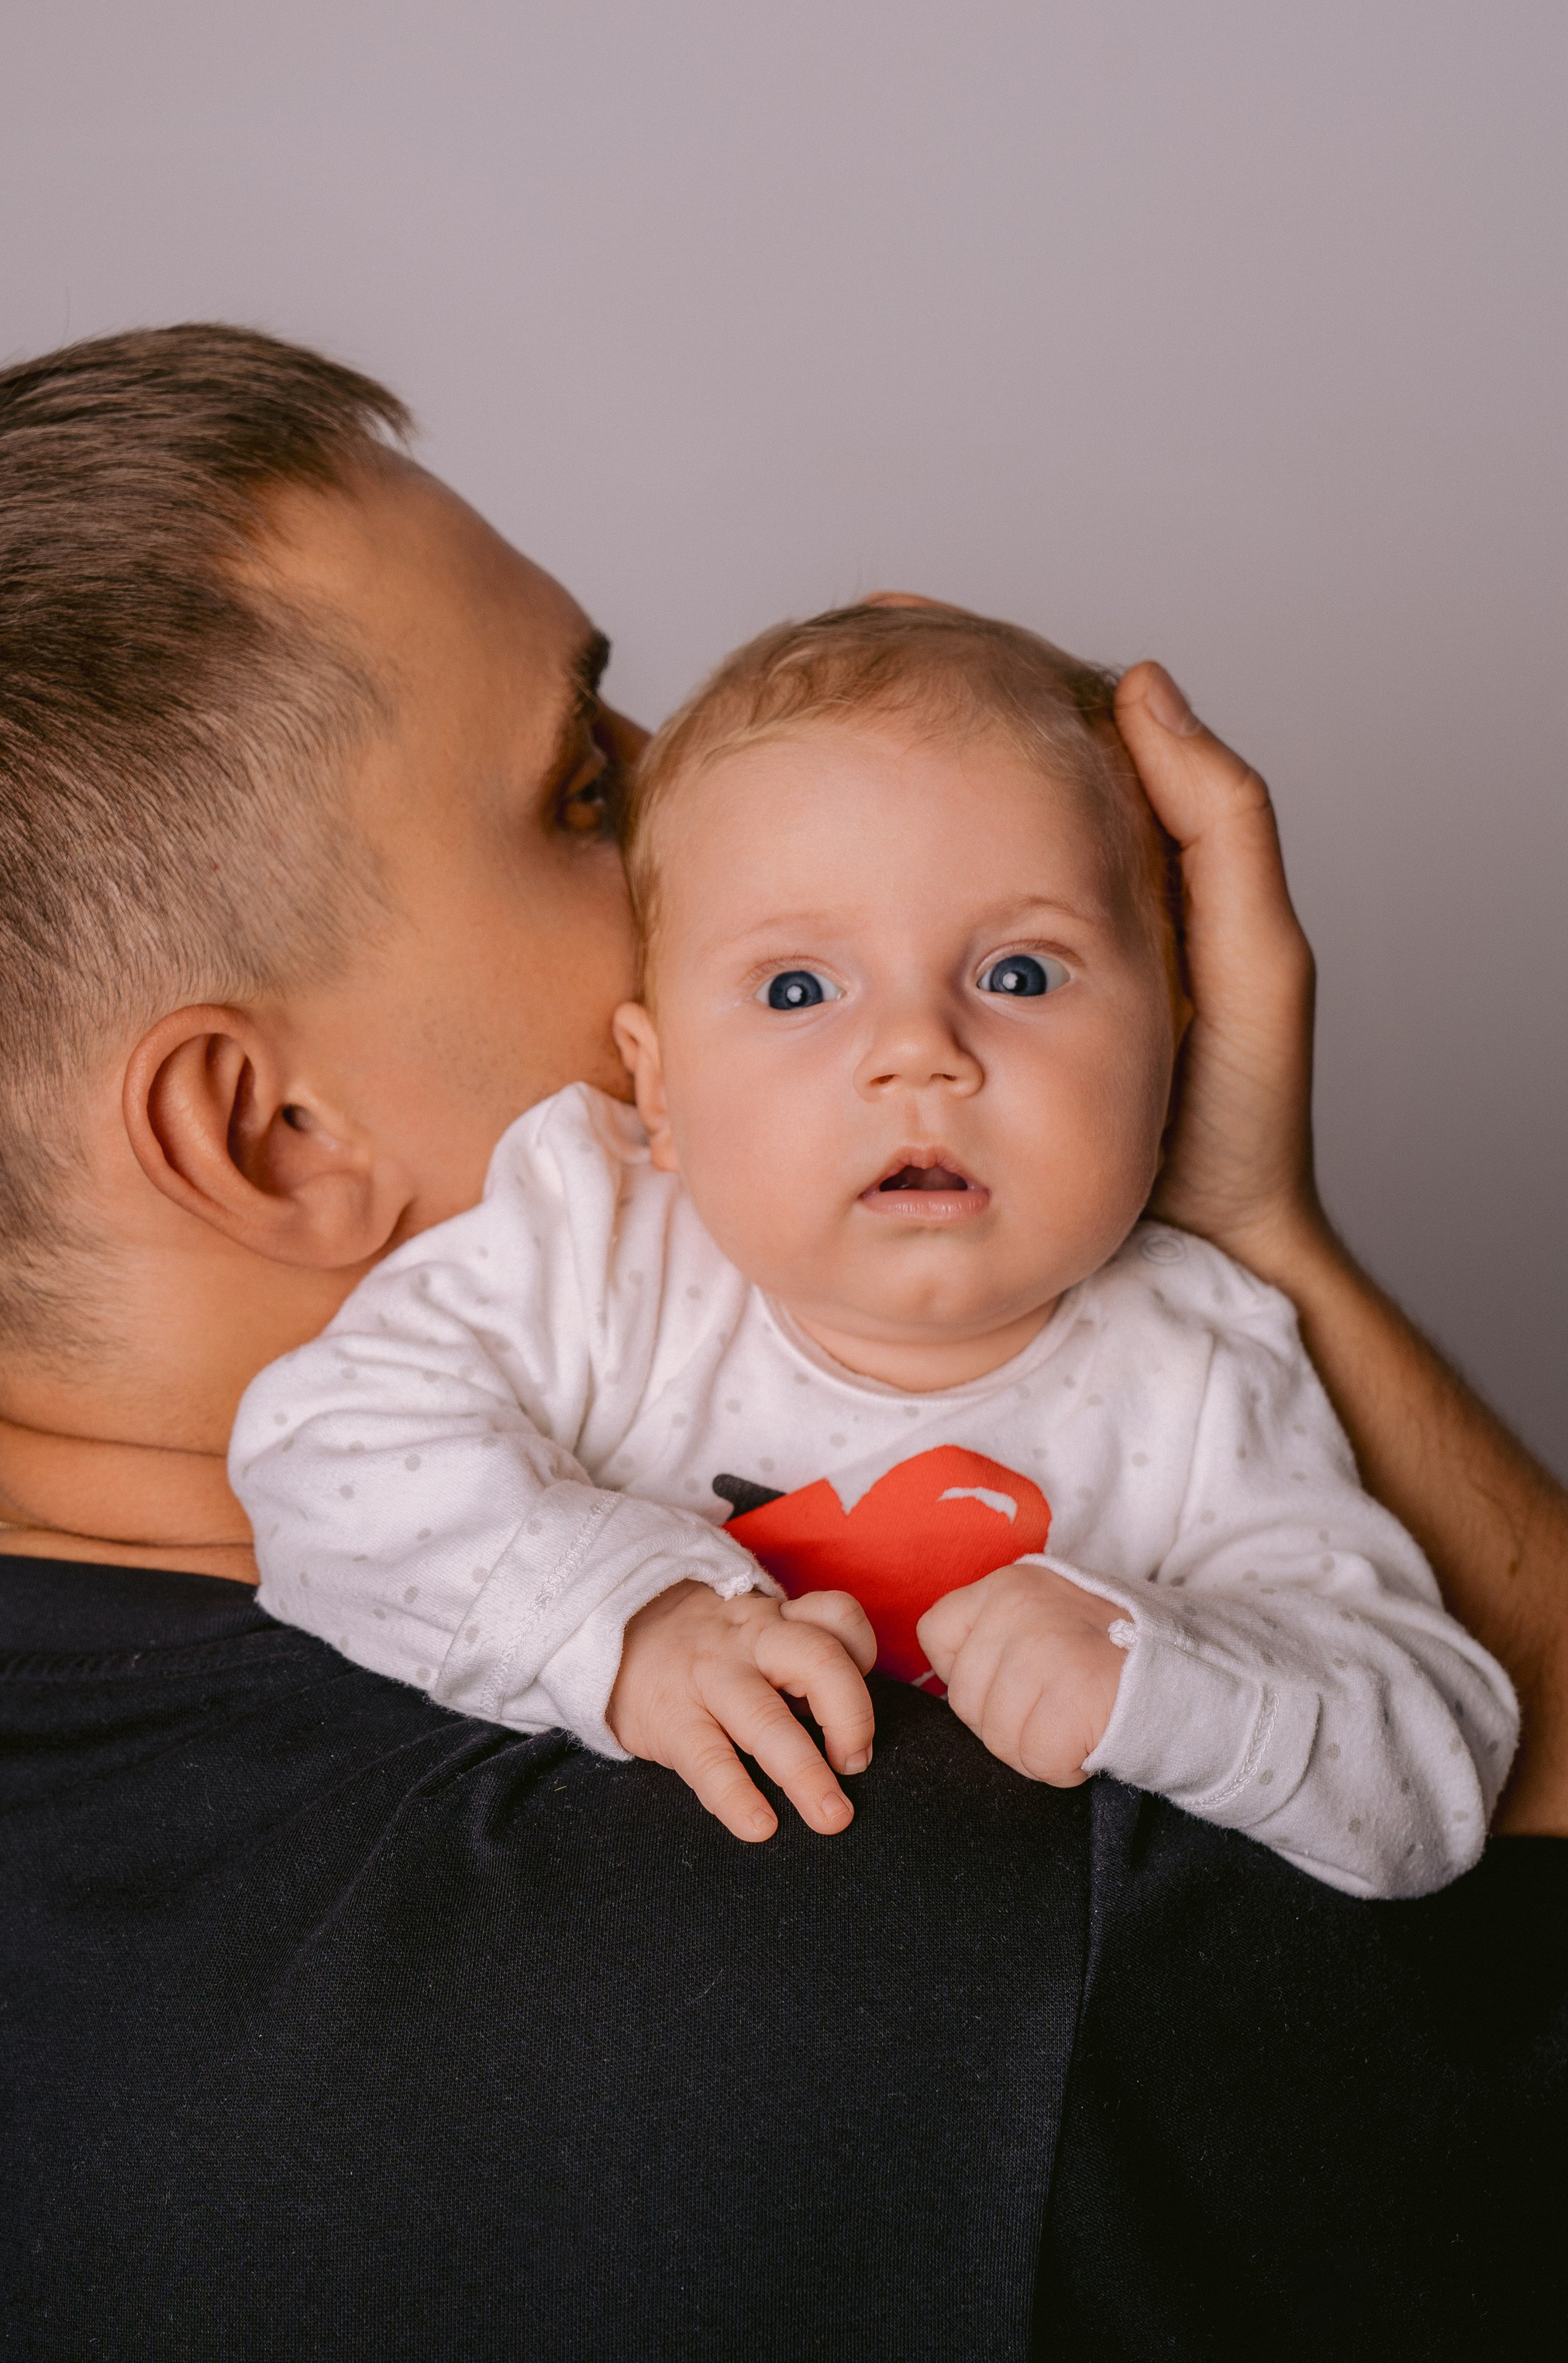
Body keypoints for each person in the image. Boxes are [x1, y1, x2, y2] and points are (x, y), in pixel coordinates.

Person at [0, 325, 1563, 2361]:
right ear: (275, 1138)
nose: (705, 781)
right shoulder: (979, 1904)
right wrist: (1250, 1233)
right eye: (589, 787)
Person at [232, 603, 1515, 1893]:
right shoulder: (597, 1244)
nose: (920, 1052)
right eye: (798, 989)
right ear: (660, 1089)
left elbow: (1437, 1770)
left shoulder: (1201, 1370)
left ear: (1174, 1044)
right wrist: (635, 1625)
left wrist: (1166, 1673)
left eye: (1022, 974)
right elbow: (320, 1457)